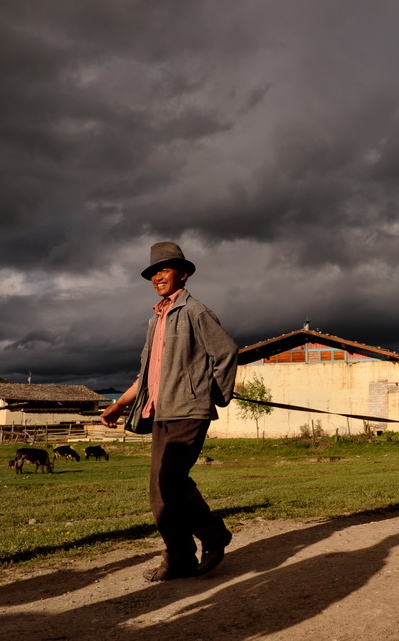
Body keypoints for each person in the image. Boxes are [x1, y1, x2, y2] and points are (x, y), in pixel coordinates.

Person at [101, 241, 239, 582]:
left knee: (171, 481)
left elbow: (226, 353)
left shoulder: (196, 312)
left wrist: (213, 395)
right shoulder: (156, 319)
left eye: (164, 270)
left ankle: (214, 535)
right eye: (153, 272)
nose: (157, 277)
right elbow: (147, 374)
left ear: (184, 273)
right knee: (158, 491)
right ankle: (178, 558)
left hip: (189, 409)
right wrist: (119, 404)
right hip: (160, 411)